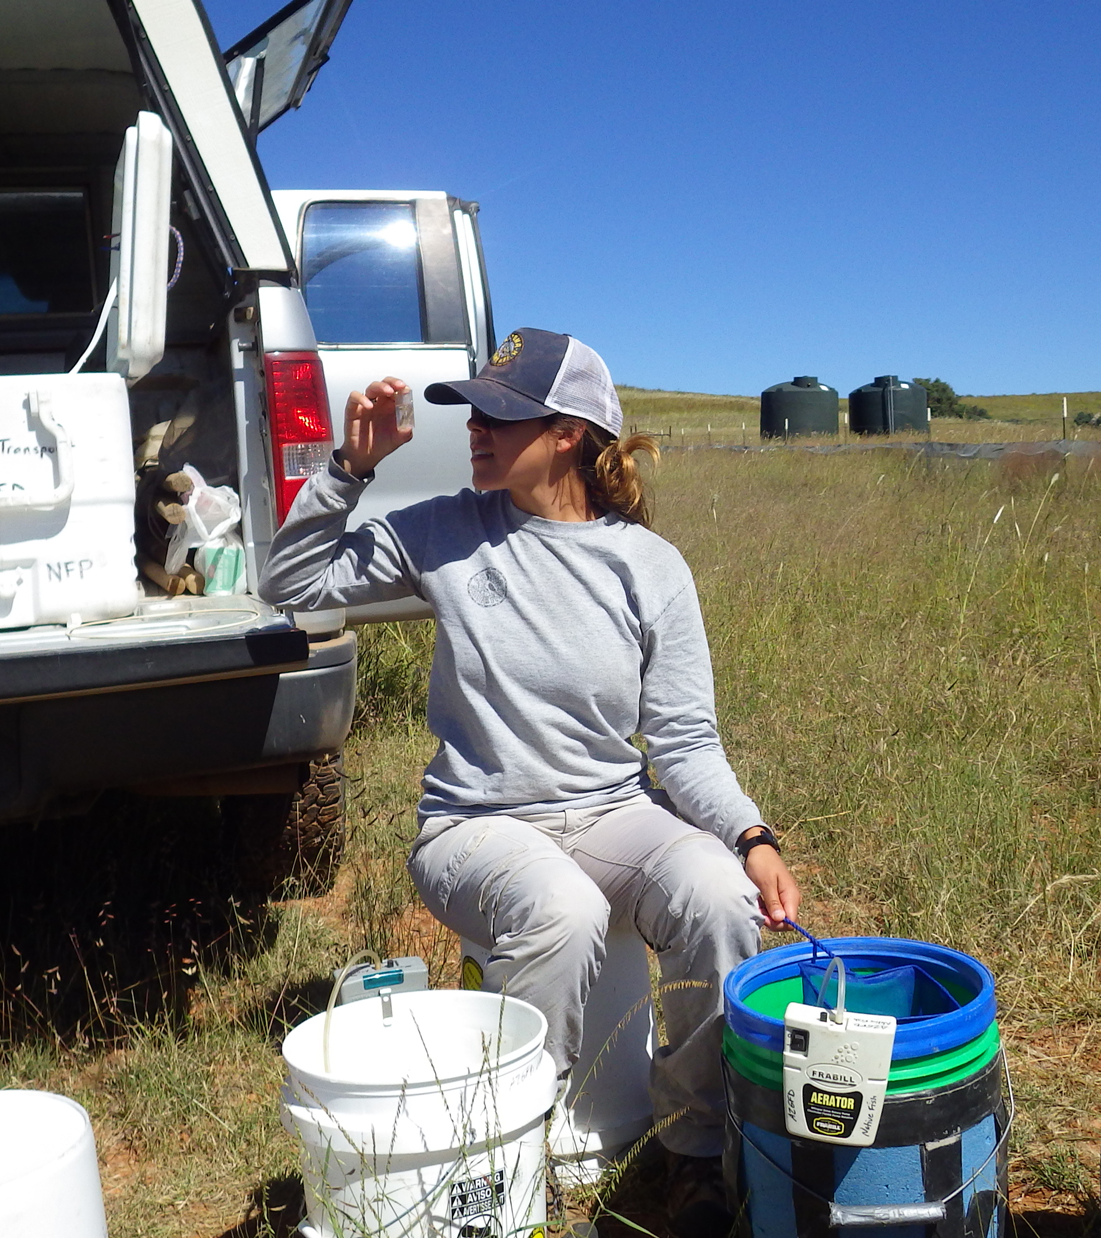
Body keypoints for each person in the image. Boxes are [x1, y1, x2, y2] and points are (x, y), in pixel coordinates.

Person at [261, 329, 799, 1238]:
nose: (476, 427)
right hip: (475, 823)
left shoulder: (647, 566)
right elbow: (291, 582)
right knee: (563, 911)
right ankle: (517, 1147)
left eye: (503, 415)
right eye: (474, 409)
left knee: (716, 897)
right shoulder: (443, 530)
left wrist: (750, 837)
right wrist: (345, 472)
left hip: (612, 810)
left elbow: (682, 738)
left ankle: (697, 1151)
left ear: (570, 436)